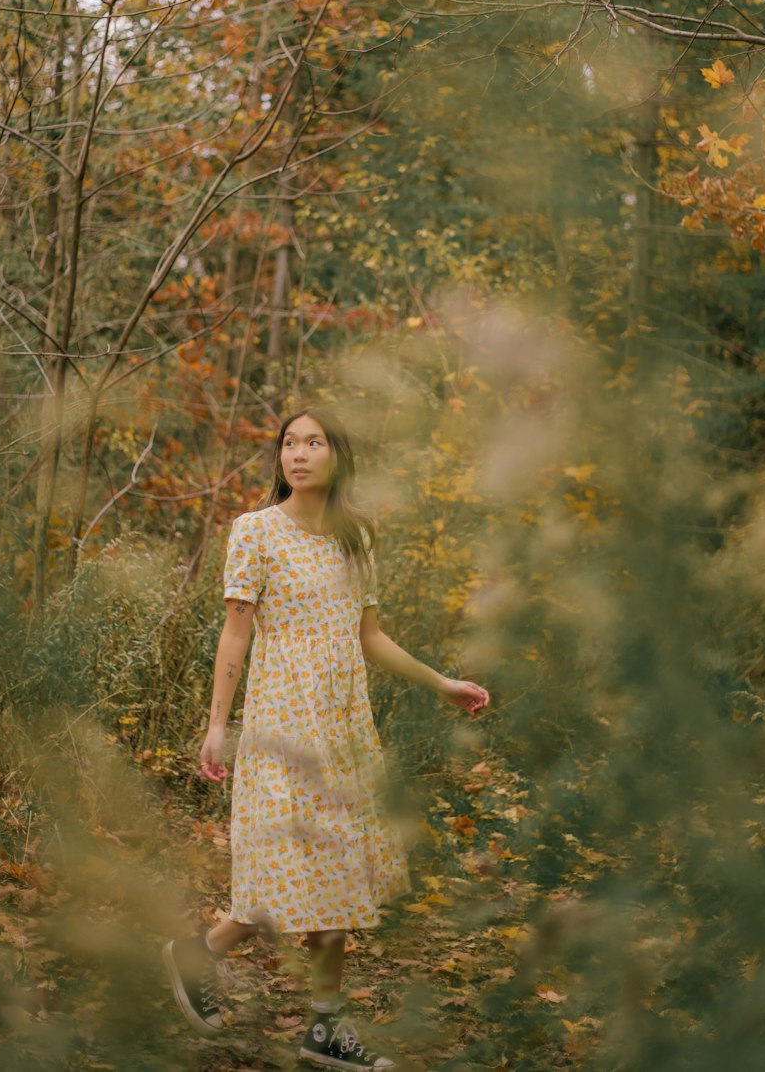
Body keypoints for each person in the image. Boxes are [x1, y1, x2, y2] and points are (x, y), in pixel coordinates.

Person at [163, 405, 490, 1069]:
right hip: (280, 724)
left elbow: (369, 637)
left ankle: (322, 1027)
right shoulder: (254, 532)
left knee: (340, 876)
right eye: (290, 443)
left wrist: (440, 683)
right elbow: (237, 631)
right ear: (279, 457)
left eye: (313, 443)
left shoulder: (356, 538)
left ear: (336, 456)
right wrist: (217, 725)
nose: (299, 454)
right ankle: (201, 952)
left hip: (342, 727)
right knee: (278, 872)